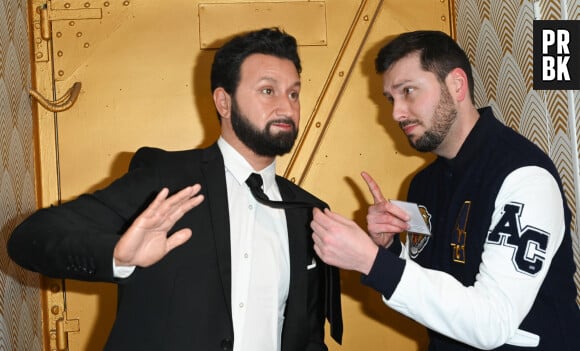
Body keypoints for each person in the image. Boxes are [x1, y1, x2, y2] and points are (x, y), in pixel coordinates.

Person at [8, 27, 342, 351]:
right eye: (268, 90)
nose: (287, 107)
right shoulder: (163, 181)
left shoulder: (309, 213)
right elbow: (30, 238)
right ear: (224, 103)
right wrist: (116, 255)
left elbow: (307, 335)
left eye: (294, 93)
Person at [311, 30, 580, 350]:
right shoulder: (423, 185)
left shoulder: (523, 175)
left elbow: (493, 322)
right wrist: (389, 251)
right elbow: (435, 304)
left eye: (408, 91)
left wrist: (373, 262)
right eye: (391, 99)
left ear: (457, 85)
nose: (396, 113)